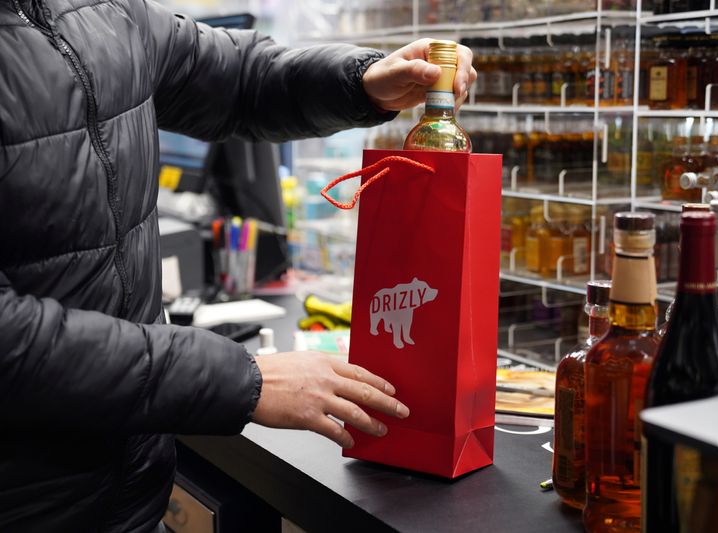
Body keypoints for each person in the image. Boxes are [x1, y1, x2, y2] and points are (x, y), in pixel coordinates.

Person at [0, 1, 477, 531]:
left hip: (128, 496)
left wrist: (361, 80)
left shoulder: (100, 10)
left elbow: (238, 78)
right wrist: (240, 378)